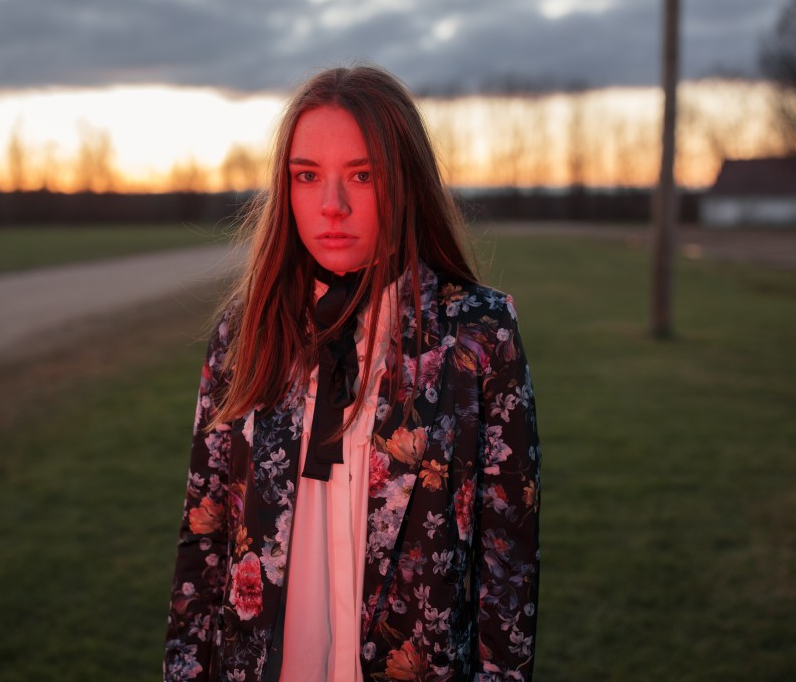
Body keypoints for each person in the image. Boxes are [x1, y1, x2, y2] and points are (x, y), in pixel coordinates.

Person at [163, 65, 540, 681]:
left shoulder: (479, 334)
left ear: (406, 182)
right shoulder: (244, 332)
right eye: (307, 176)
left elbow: (509, 568)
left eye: (361, 176)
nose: (331, 206)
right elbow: (203, 542)